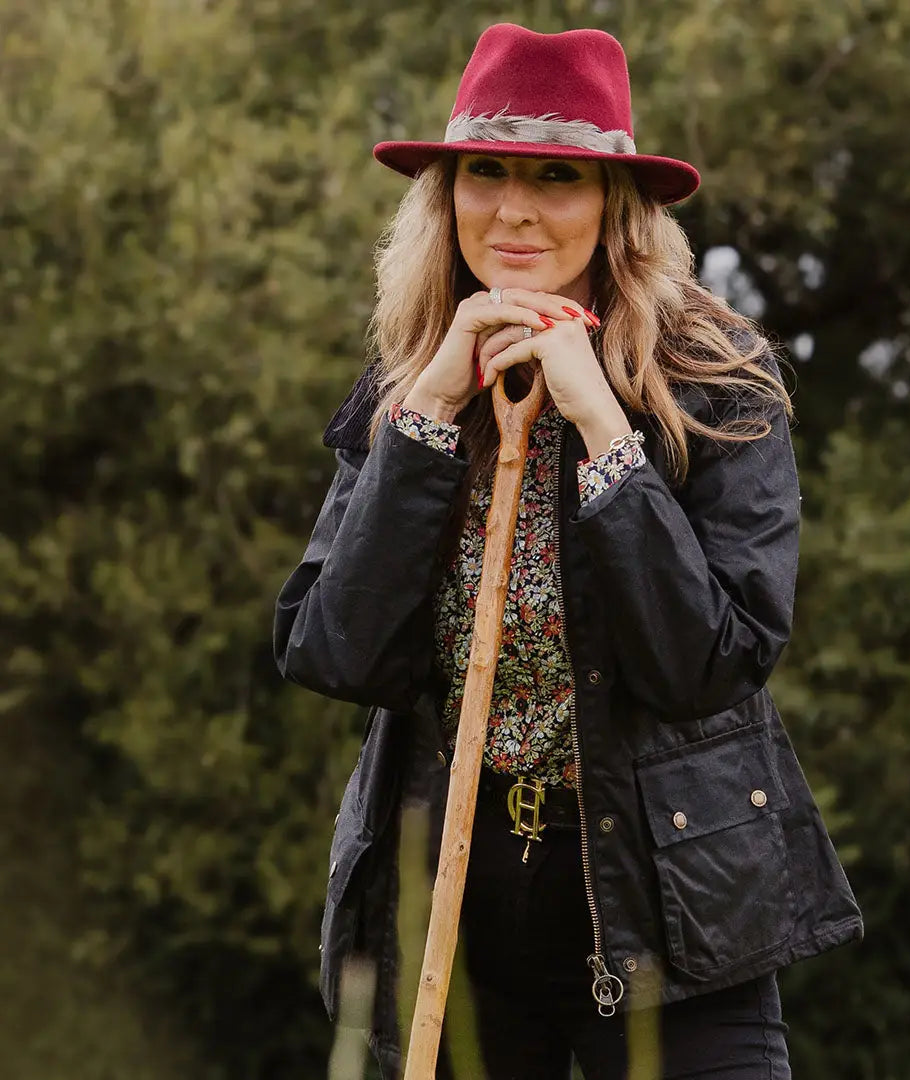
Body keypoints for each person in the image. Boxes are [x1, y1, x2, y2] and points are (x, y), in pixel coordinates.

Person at [274, 22, 862, 1080]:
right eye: (485, 173)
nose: (515, 208)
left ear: (615, 205)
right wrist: (430, 416)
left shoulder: (719, 384)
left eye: (558, 175)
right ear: (444, 195)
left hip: (671, 911)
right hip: (457, 920)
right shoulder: (408, 384)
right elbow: (333, 652)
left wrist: (605, 431)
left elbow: (710, 663)